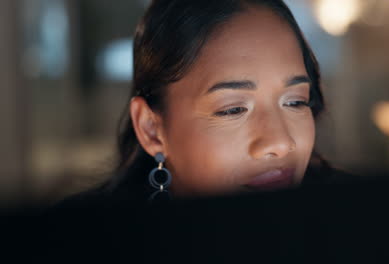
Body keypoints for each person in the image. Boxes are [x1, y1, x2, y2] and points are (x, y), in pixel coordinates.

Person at [72, 0, 338, 204]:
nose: (280, 143)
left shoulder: (357, 227)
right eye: (233, 109)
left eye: (295, 102)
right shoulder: (86, 245)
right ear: (151, 129)